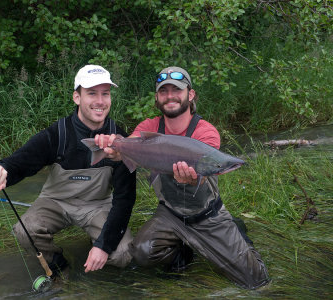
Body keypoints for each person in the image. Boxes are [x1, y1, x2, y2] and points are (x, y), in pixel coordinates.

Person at [95, 66, 270, 289]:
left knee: (256, 280)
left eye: (176, 90)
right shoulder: (148, 127)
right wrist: (115, 149)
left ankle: (238, 233)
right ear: (158, 98)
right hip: (170, 214)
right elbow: (128, 146)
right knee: (141, 252)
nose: (170, 96)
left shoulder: (205, 132)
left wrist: (193, 179)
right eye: (164, 91)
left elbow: (206, 173)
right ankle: (182, 249)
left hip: (207, 215)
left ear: (190, 94)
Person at [0, 65, 136, 276]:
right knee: (25, 231)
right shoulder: (57, 134)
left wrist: (103, 246)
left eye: (105, 94)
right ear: (77, 97)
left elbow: (125, 200)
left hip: (98, 206)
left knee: (122, 254)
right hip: (55, 202)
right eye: (92, 93)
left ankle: (96, 245)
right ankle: (59, 265)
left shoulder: (120, 140)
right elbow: (17, 165)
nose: (100, 101)